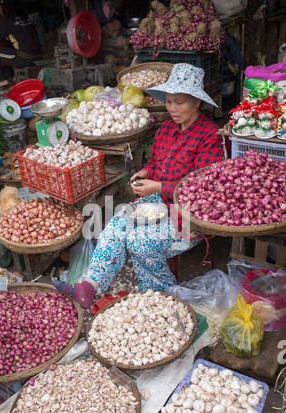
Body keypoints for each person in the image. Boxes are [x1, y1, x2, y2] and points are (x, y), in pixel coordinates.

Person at [52, 63, 224, 309]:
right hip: (157, 204)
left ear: (197, 102)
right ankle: (89, 286)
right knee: (117, 222)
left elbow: (204, 191)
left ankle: (162, 296)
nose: (173, 109)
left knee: (139, 241)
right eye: (169, 101)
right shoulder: (166, 129)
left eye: (180, 102)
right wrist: (145, 173)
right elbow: (154, 163)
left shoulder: (209, 136)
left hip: (189, 215)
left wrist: (158, 187)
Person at [0, 0, 42, 91]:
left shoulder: (7, 20)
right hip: (38, 57)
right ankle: (10, 78)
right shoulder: (24, 17)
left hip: (24, 58)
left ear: (3, 7)